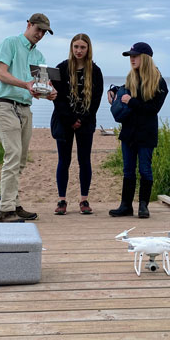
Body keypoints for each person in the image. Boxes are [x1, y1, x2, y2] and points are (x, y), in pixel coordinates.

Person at [0, 13, 57, 222]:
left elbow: (40, 86)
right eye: (38, 29)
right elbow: (1, 74)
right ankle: (5, 210)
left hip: (25, 108)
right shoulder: (9, 43)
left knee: (20, 159)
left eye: (44, 32)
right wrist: (26, 85)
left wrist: (50, 93)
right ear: (28, 25)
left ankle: (14, 204)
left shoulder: (39, 57)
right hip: (5, 104)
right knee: (12, 154)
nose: (40, 34)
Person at [108, 42, 168, 219]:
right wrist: (112, 91)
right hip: (129, 133)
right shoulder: (131, 78)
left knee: (145, 170)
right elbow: (123, 91)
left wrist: (130, 101)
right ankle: (125, 205)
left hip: (146, 133)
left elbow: (153, 109)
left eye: (135, 56)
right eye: (130, 56)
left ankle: (143, 206)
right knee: (128, 170)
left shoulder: (159, 82)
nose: (132, 59)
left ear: (146, 58)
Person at [50, 33, 104, 215]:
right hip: (64, 122)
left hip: (86, 122)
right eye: (76, 47)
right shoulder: (61, 68)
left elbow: (96, 101)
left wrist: (82, 119)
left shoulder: (95, 71)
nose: (79, 50)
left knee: (84, 160)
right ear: (71, 48)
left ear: (88, 49)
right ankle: (62, 200)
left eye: (82, 47)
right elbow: (57, 98)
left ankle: (84, 200)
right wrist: (71, 119)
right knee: (64, 160)